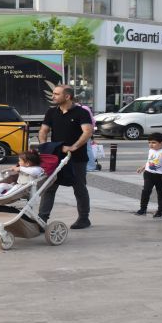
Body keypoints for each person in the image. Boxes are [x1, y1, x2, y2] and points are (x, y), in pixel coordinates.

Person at [38, 85, 94, 229]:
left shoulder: (81, 112)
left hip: (76, 158)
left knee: (79, 188)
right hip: (56, 157)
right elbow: (43, 131)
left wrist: (74, 147)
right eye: (53, 93)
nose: (53, 96)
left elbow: (87, 131)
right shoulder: (51, 112)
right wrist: (45, 147)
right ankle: (41, 220)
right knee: (49, 188)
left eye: (56, 94)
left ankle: (84, 218)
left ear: (67, 96)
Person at [135, 133, 162, 218]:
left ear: (161, 143)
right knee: (146, 191)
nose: (151, 144)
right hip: (148, 174)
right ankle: (143, 209)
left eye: (154, 142)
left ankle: (161, 211)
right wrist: (143, 167)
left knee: (161, 193)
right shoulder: (151, 150)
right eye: (149, 142)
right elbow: (149, 160)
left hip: (161, 176)